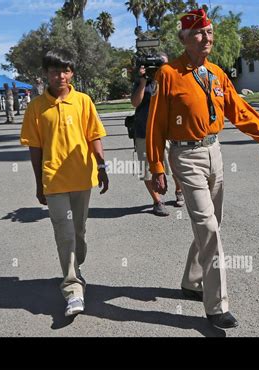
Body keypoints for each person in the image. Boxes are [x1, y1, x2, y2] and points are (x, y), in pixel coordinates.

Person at [146, 9, 259, 330]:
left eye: (209, 32)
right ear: (184, 39)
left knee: (212, 225)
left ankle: (191, 280)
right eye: (199, 33)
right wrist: (157, 166)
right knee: (208, 228)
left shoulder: (216, 74)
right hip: (185, 156)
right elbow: (155, 124)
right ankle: (217, 307)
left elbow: (240, 111)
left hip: (214, 151)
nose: (206, 38)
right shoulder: (168, 74)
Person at [20, 49, 109, 317]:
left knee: (79, 232)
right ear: (46, 74)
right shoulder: (36, 107)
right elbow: (34, 148)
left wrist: (102, 166)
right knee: (65, 234)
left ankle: (75, 266)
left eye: (66, 70)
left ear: (72, 73)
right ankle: (72, 289)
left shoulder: (83, 101)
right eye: (55, 71)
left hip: (82, 177)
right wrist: (38, 183)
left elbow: (94, 135)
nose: (61, 76)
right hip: (53, 181)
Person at [131, 52, 184, 217]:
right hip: (143, 131)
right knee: (147, 169)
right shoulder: (142, 81)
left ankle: (179, 190)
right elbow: (135, 103)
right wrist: (142, 81)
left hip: (168, 132)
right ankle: (157, 201)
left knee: (175, 165)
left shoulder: (169, 79)